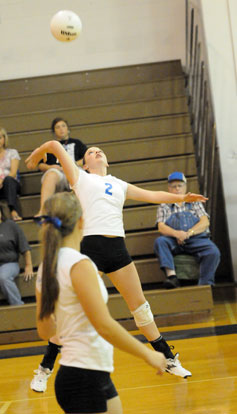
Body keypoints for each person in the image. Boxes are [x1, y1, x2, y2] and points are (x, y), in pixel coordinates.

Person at [26, 141, 207, 388]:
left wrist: (182, 197)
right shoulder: (79, 178)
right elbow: (55, 146)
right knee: (72, 310)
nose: (96, 152)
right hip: (90, 250)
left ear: (107, 161)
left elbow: (153, 196)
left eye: (100, 150)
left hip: (117, 251)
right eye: (90, 152)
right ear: (84, 164)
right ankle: (45, 368)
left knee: (141, 308)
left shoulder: (119, 184)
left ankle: (167, 358)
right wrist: (37, 154)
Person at [34, 191, 166, 414]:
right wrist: (148, 354)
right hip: (84, 376)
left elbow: (44, 330)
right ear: (82, 222)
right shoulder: (80, 264)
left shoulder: (46, 267)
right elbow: (103, 325)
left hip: (84, 372)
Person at [153, 171, 220, 289]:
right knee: (160, 242)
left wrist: (189, 233)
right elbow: (161, 227)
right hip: (173, 240)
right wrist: (177, 234)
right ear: (169, 188)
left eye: (180, 185)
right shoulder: (164, 205)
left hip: (195, 239)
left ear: (185, 186)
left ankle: (205, 284)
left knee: (213, 252)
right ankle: (172, 277)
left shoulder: (194, 202)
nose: (177, 189)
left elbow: (205, 222)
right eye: (173, 186)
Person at [35, 117, 87, 216]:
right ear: (54, 131)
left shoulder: (77, 143)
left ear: (68, 129)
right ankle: (43, 211)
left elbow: (86, 158)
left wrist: (73, 165)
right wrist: (51, 167)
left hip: (74, 170)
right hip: (58, 173)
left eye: (63, 126)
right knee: (51, 175)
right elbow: (40, 165)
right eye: (57, 127)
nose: (61, 129)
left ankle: (85, 209)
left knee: (81, 175)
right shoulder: (50, 146)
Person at [0, 205, 33, 305]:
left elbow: (24, 247)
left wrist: (29, 265)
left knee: (3, 277)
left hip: (9, 263)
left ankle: (18, 305)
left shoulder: (11, 225)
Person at [0, 126, 22, 221]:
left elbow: (13, 173)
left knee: (8, 180)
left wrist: (1, 180)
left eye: (0, 137)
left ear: (4, 139)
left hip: (11, 184)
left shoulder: (12, 153)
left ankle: (13, 210)